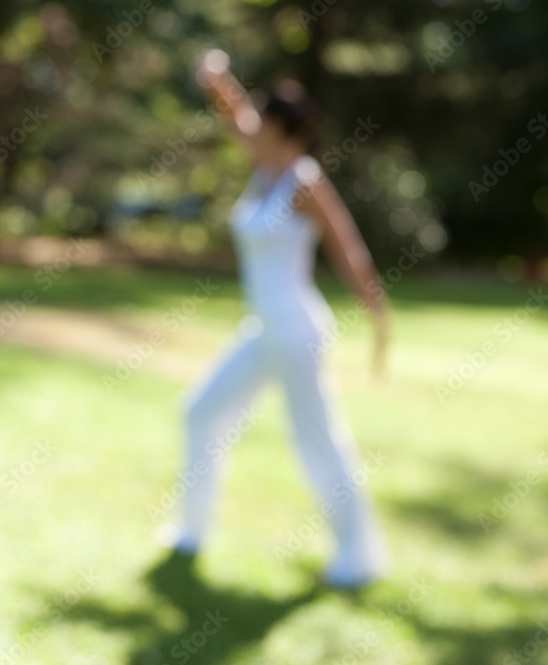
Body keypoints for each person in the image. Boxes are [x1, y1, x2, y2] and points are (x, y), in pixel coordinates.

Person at [165, 50, 390, 588]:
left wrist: (380, 321)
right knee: (200, 412)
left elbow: (348, 250)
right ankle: (189, 533)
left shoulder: (303, 182)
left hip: (296, 332)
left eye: (260, 121)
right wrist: (214, 78)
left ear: (281, 127)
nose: (250, 127)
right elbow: (233, 110)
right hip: (264, 330)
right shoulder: (264, 165)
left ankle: (358, 558)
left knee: (317, 440)